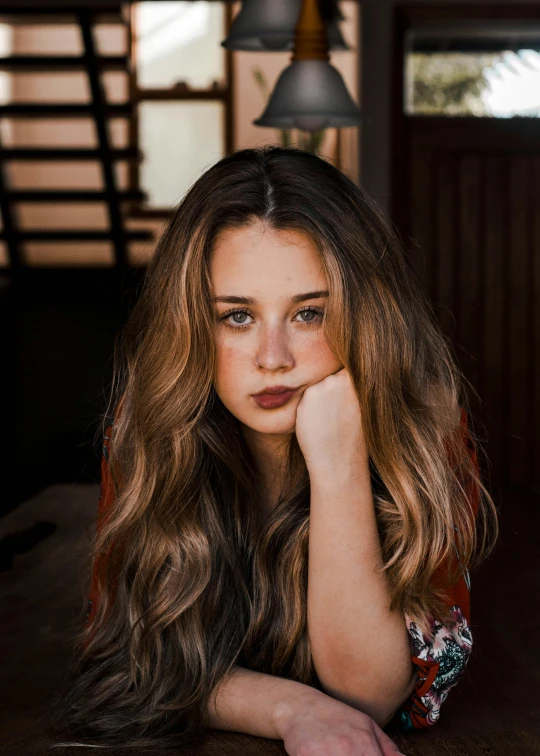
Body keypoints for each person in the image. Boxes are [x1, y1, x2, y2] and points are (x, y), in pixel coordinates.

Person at [49, 146, 499, 754]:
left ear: (366, 318)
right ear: (191, 325)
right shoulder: (150, 432)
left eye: (309, 313)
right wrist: (289, 707)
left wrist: (338, 464)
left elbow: (371, 695)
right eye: (236, 317)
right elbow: (126, 654)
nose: (272, 357)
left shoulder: (427, 434)